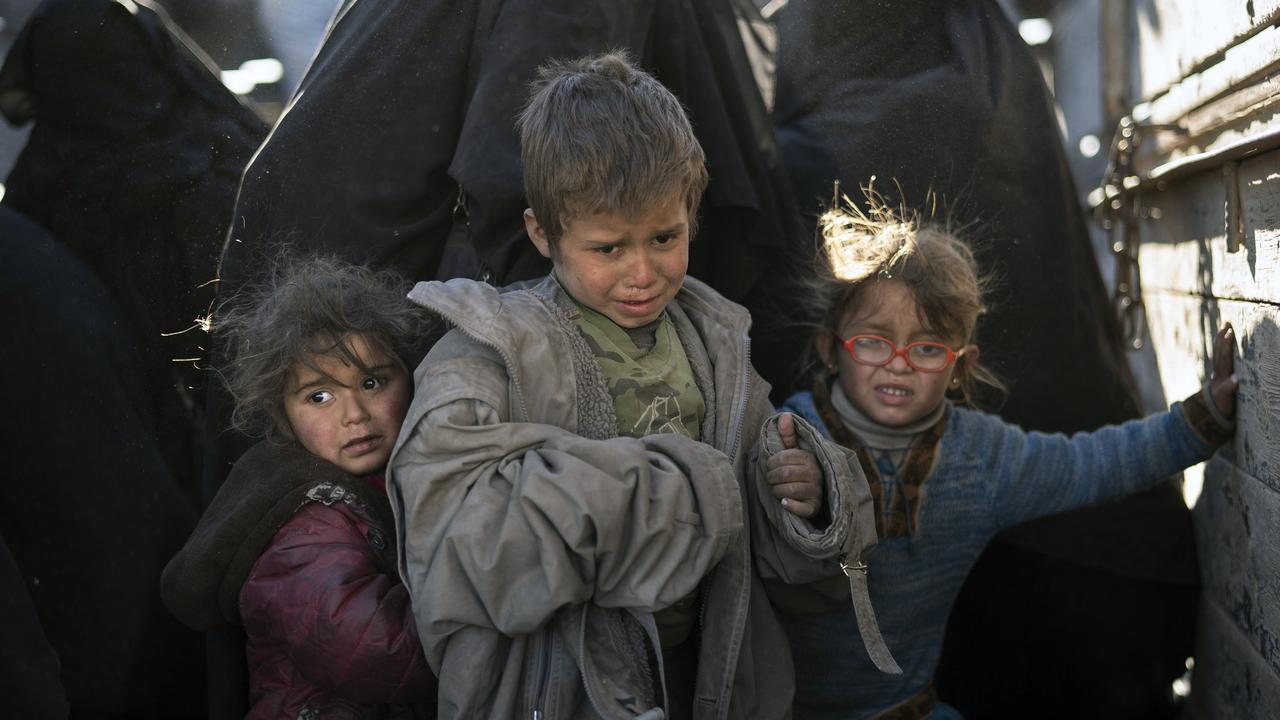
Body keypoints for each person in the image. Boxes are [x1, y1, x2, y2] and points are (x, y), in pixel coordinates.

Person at [387, 51, 883, 719]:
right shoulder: (486, 357)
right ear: (543, 233)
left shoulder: (717, 343)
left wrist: (805, 494)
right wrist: (673, 490)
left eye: (664, 237)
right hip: (565, 690)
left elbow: (772, 551)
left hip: (703, 675)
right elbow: (454, 552)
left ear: (693, 217)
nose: (643, 272)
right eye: (609, 248)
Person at [771, 194, 1237, 719]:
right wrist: (799, 502)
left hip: (907, 710)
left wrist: (1202, 420)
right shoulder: (787, 433)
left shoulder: (983, 459)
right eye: (874, 342)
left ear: (960, 367)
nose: (898, 365)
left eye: (926, 349)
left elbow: (1094, 462)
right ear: (830, 348)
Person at [161, 256, 438, 719]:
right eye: (319, 396)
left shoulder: (392, 475)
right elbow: (377, 652)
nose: (354, 414)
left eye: (372, 382)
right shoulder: (305, 527)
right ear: (280, 415)